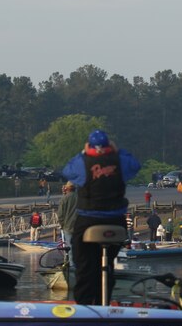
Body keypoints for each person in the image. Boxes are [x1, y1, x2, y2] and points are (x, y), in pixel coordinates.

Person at [61, 129, 141, 305]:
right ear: (109, 145)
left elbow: (66, 171)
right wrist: (117, 151)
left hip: (88, 219)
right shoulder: (120, 160)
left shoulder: (83, 161)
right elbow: (136, 165)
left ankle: (84, 305)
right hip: (115, 221)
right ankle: (104, 299)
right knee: (107, 265)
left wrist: (83, 153)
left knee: (84, 266)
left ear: (88, 146)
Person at [57, 182, 78, 247]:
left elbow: (60, 215)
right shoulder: (81, 197)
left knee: (70, 248)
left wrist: (63, 225)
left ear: (67, 188)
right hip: (79, 226)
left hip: (68, 227)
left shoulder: (64, 199)